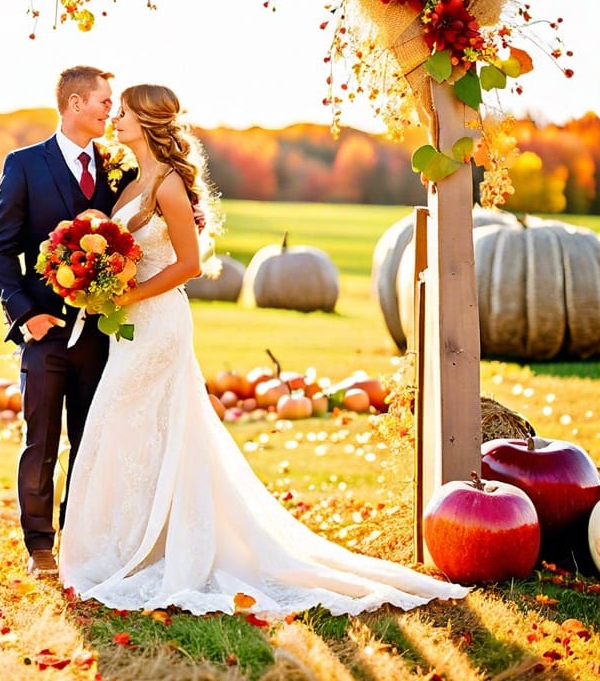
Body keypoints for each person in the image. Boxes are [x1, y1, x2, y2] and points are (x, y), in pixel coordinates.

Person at [58, 83, 469, 616]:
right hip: (128, 325)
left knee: (131, 420)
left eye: (126, 112)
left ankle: (154, 550)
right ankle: (128, 546)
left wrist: (129, 293)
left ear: (149, 120)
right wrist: (99, 285)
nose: (116, 119)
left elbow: (187, 263)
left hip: (158, 326)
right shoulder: (132, 182)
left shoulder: (168, 186)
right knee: (130, 429)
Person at [0, 65, 133, 578]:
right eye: (102, 101)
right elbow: (0, 249)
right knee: (41, 443)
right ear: (74, 104)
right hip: (45, 334)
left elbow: (149, 215)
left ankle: (80, 540)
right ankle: (40, 546)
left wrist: (193, 214)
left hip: (102, 335)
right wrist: (27, 316)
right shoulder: (24, 164)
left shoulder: (119, 170)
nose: (109, 110)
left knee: (91, 441)